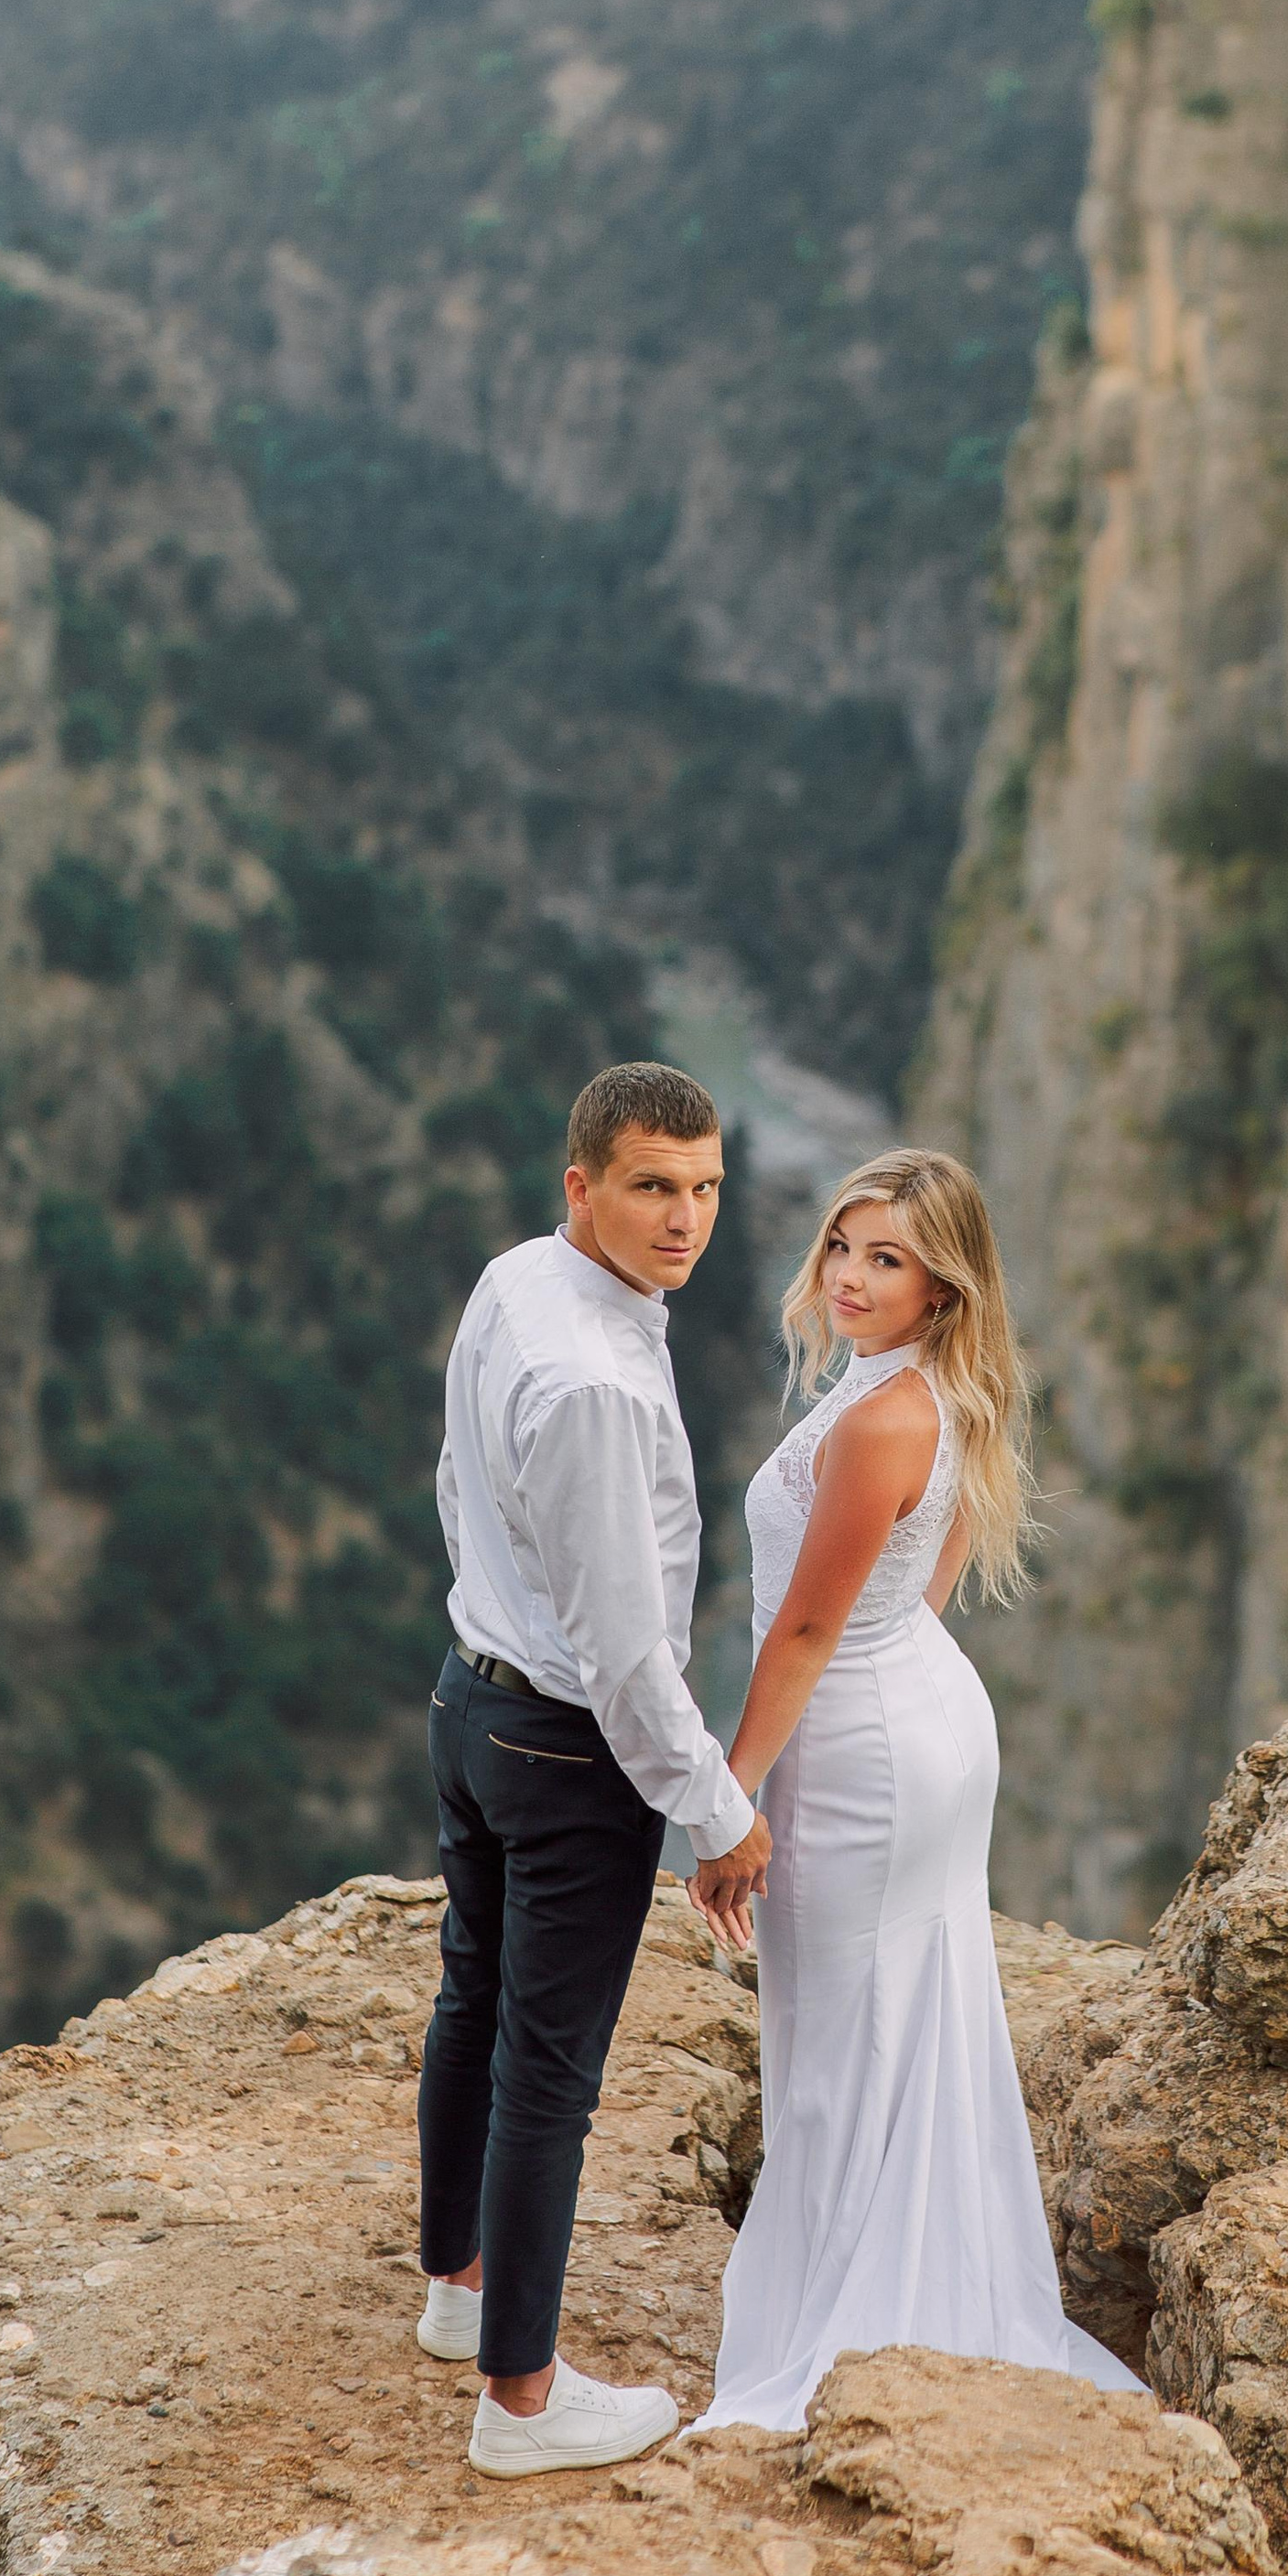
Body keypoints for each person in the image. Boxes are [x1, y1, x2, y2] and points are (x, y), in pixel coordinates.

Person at [688, 1146, 1146, 2430]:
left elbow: (803, 1634)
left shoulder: (885, 1416)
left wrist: (729, 1802)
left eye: (886, 1258)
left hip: (865, 1744)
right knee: (902, 2012)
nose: (849, 1274)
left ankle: (842, 2322)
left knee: (839, 2036)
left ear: (940, 1286)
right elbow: (914, 1592)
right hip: (919, 1710)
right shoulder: (930, 1396)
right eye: (843, 1245)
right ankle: (903, 2278)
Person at [411, 1061, 772, 2477]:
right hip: (567, 1750)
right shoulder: (602, 1383)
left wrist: (492, 1616)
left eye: (704, 1191)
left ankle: (459, 2290)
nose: (685, 1221)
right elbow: (630, 1659)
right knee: (548, 2074)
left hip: (468, 1700)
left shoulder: (518, 1283)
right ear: (585, 1186)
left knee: (473, 1998)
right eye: (651, 1189)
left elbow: (454, 1481)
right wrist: (718, 1813)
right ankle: (522, 2401)